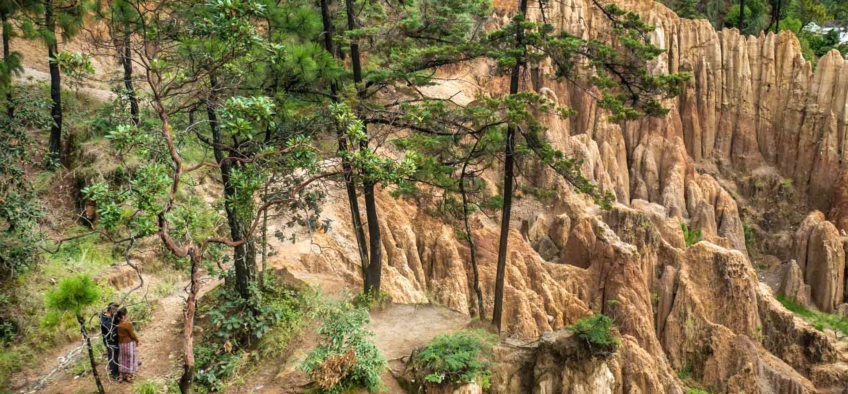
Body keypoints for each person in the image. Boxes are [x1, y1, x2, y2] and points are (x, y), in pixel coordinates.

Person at [115, 307, 140, 383]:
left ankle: (121, 376)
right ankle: (128, 376)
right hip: (129, 344)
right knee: (130, 358)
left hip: (121, 344)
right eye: (126, 314)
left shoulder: (117, 324)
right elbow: (132, 335)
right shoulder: (127, 324)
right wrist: (137, 340)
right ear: (124, 315)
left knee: (122, 359)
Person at [99, 303, 120, 381]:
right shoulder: (104, 317)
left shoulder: (114, 315)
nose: (116, 311)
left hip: (116, 338)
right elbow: (107, 326)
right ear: (111, 309)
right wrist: (110, 318)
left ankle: (127, 365)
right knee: (112, 356)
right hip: (109, 340)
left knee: (118, 353)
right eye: (115, 310)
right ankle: (114, 373)